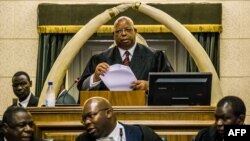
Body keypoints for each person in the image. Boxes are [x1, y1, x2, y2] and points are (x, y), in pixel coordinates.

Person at [77, 16, 174, 91]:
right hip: (110, 111)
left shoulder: (156, 56)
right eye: (118, 31)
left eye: (128, 30)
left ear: (135, 32)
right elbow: (82, 87)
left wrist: (149, 85)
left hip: (144, 111)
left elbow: (171, 83)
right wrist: (95, 77)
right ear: (113, 35)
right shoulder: (99, 59)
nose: (123, 34)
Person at [76, 97, 163, 141]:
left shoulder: (141, 134)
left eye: (91, 116)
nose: (87, 122)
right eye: (84, 119)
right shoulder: (82, 139)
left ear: (108, 113)